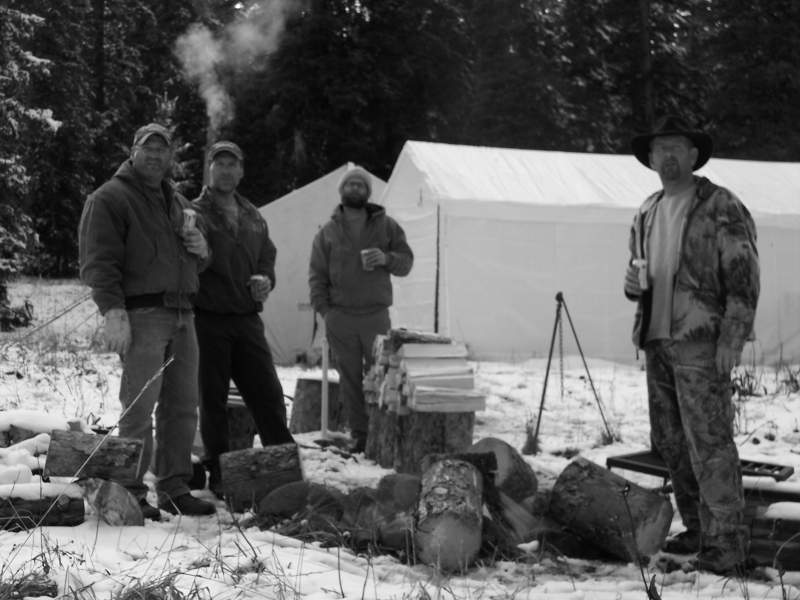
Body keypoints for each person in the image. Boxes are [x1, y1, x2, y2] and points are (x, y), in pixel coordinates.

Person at [624, 115, 760, 574]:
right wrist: (631, 285)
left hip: (701, 341)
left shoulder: (720, 205)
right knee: (671, 441)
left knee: (710, 441)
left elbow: (743, 278)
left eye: (676, 148)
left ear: (693, 155)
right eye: (660, 149)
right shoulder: (646, 209)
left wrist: (733, 338)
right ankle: (700, 530)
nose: (667, 157)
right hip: (657, 340)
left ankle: (728, 543)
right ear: (650, 158)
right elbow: (638, 274)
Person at [78, 123, 216, 519]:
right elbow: (97, 262)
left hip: (183, 314)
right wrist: (113, 311)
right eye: (147, 148)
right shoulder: (109, 198)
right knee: (139, 406)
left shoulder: (178, 202)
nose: (155, 156)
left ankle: (174, 485)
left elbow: (203, 259)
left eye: (162, 150)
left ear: (170, 157)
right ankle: (133, 491)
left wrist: (202, 248)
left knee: (182, 406)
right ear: (132, 151)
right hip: (142, 314)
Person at [192, 140, 295, 497]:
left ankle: (282, 463)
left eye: (231, 164)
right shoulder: (195, 213)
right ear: (209, 169)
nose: (225, 170)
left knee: (268, 393)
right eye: (218, 164)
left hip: (247, 319)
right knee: (213, 398)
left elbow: (267, 256)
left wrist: (266, 280)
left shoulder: (253, 215)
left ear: (241, 170)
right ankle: (219, 470)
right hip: (208, 318)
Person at [309, 165, 413, 452]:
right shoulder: (327, 233)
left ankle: (387, 436)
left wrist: (386, 258)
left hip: (375, 316)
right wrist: (325, 312)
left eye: (360, 185)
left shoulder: (387, 226)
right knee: (350, 380)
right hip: (340, 316)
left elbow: (406, 261)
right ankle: (361, 437)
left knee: (382, 377)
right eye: (350, 184)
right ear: (342, 191)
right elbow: (317, 275)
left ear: (368, 192)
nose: (355, 188)